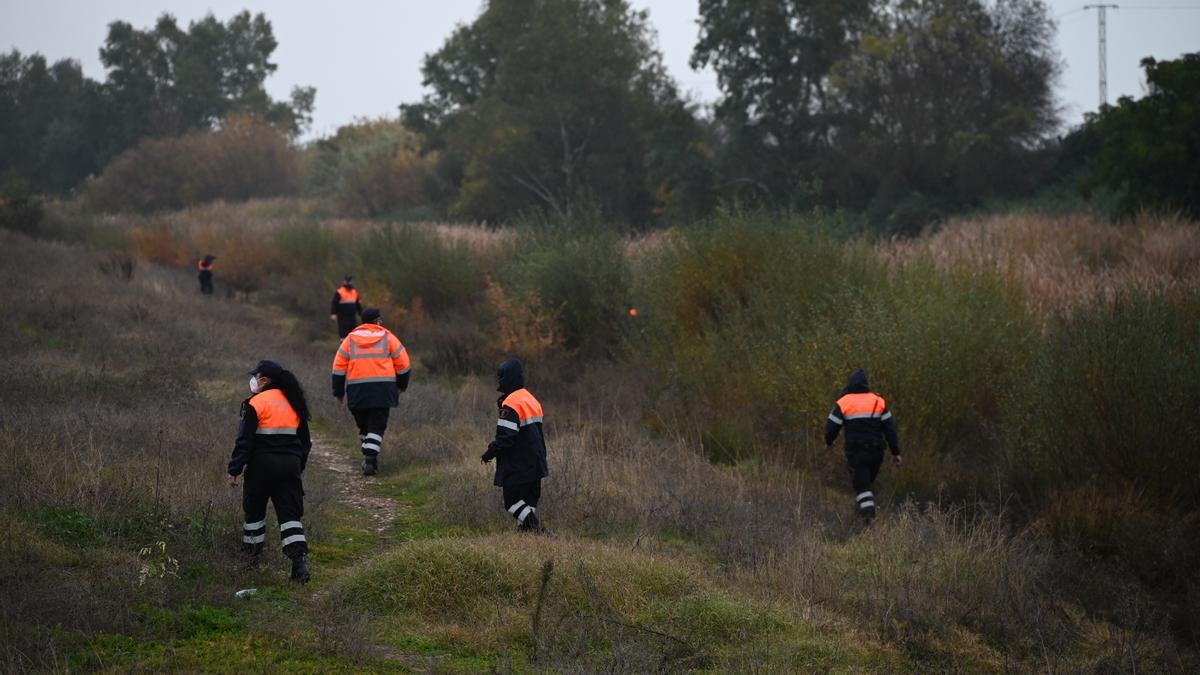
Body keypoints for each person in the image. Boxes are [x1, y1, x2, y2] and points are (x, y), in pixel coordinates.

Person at [227, 360, 312, 583]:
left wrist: (235, 469)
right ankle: (299, 564)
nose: (254, 380)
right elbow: (306, 442)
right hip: (289, 466)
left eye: (257, 376)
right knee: (290, 516)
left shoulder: (256, 402)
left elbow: (245, 441)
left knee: (254, 513)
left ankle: (250, 561)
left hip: (261, 467)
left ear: (265, 380)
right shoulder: (295, 401)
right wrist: (298, 465)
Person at [331, 308, 410, 475]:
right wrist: (402, 385)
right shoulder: (388, 338)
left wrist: (338, 392)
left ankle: (369, 459)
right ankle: (370, 459)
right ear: (378, 321)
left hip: (357, 390)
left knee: (365, 426)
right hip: (383, 389)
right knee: (376, 426)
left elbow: (338, 367)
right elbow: (403, 364)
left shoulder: (349, 339)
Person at [481, 357, 549, 533]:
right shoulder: (531, 399)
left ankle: (540, 531)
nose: (499, 381)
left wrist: (489, 453)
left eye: (501, 377)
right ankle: (526, 535)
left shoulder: (511, 403)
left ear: (507, 378)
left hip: (519, 463)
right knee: (528, 502)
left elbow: (506, 438)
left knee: (511, 501)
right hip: (537, 462)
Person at [824, 369, 902, 524]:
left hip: (856, 453)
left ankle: (868, 521)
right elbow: (890, 430)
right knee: (865, 485)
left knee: (862, 487)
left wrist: (829, 442)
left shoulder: (844, 402)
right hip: (876, 453)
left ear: (850, 384)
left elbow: (831, 427)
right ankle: (860, 514)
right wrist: (896, 453)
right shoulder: (878, 401)